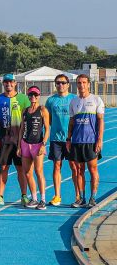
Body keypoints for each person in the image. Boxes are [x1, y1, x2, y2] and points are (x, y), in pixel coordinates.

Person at [0, 73, 30, 206]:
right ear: (3, 84)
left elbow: (29, 118)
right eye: (6, 82)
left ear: (15, 83)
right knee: (3, 167)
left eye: (11, 82)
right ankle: (0, 196)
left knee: (21, 168)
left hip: (20, 140)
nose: (8, 84)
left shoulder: (24, 99)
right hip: (4, 139)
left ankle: (24, 195)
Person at [67, 74, 105, 208]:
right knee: (79, 170)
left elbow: (100, 121)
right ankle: (81, 198)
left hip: (91, 141)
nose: (81, 85)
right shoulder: (73, 101)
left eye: (83, 82)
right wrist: (68, 138)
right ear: (76, 85)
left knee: (93, 169)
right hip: (77, 142)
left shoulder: (96, 99)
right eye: (79, 83)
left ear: (88, 84)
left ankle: (93, 198)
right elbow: (71, 122)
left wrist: (99, 139)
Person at [45, 74, 76, 206]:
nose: (60, 85)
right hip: (55, 139)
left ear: (68, 84)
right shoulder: (51, 100)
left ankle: (78, 196)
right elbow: (49, 119)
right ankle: (57, 196)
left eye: (63, 83)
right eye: (58, 83)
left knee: (74, 167)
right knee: (57, 166)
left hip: (72, 139)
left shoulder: (74, 99)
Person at [17, 86, 50, 210]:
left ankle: (43, 200)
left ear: (39, 96)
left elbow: (47, 128)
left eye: (35, 95)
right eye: (31, 95)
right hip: (25, 143)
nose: (33, 97)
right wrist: (19, 145)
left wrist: (44, 143)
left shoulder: (42, 110)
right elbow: (22, 128)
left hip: (37, 144)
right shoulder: (25, 111)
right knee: (28, 173)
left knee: (39, 172)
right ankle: (34, 199)